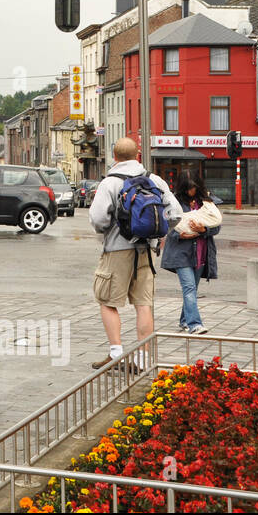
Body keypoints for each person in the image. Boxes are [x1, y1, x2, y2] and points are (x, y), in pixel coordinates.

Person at [88, 137, 182, 371]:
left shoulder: (110, 183)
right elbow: (176, 214)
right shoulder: (155, 180)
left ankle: (116, 354)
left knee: (107, 301)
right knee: (143, 304)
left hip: (116, 249)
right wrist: (157, 232)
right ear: (138, 155)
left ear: (115, 157)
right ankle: (141, 359)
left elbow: (98, 219)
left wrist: (109, 231)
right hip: (146, 251)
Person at [160, 171, 221, 334]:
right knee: (189, 288)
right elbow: (165, 224)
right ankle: (195, 324)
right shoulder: (174, 202)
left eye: (193, 187)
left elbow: (217, 226)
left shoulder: (206, 202)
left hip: (201, 253)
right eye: (187, 188)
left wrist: (204, 229)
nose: (190, 191)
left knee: (192, 289)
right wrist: (178, 234)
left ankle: (184, 320)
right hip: (181, 252)